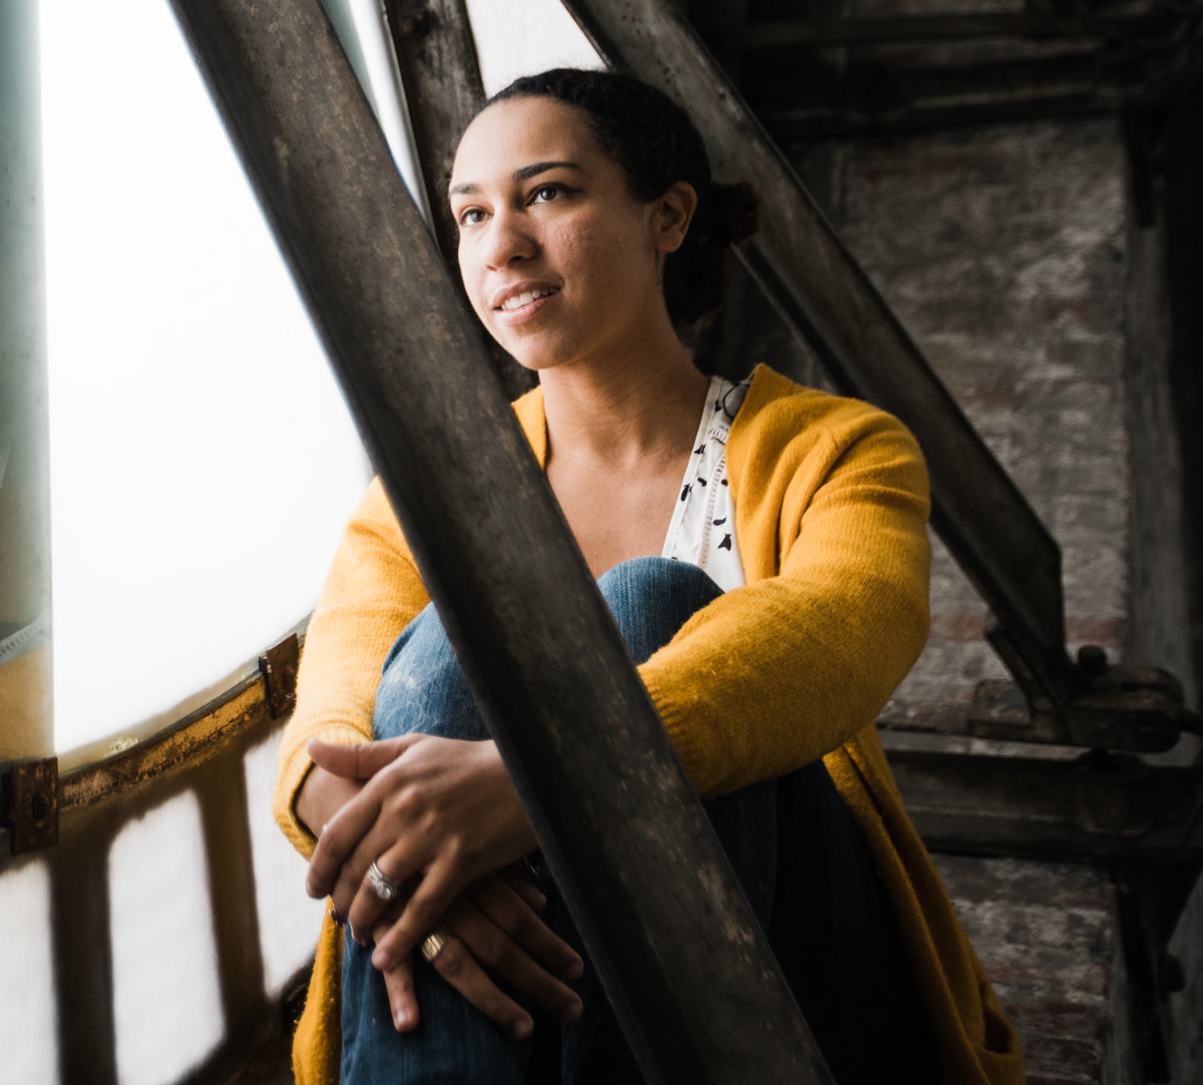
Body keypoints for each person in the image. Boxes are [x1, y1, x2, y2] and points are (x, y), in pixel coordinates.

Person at [270, 68, 1023, 1084]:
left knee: (649, 600)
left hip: (804, 975)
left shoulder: (835, 448)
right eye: (471, 212)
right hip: (521, 1015)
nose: (502, 245)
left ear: (666, 216)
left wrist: (528, 787)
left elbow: (850, 623)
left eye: (548, 193)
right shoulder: (423, 493)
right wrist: (399, 845)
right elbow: (331, 721)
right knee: (445, 647)